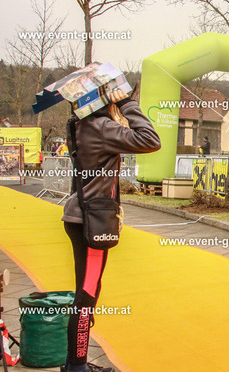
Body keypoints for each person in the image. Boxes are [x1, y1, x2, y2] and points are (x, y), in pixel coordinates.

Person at [61, 89, 161, 372]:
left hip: (81, 214)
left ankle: (74, 362)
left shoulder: (80, 124)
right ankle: (77, 367)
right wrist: (128, 103)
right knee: (86, 295)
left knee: (88, 291)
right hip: (91, 219)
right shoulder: (101, 126)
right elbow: (151, 140)